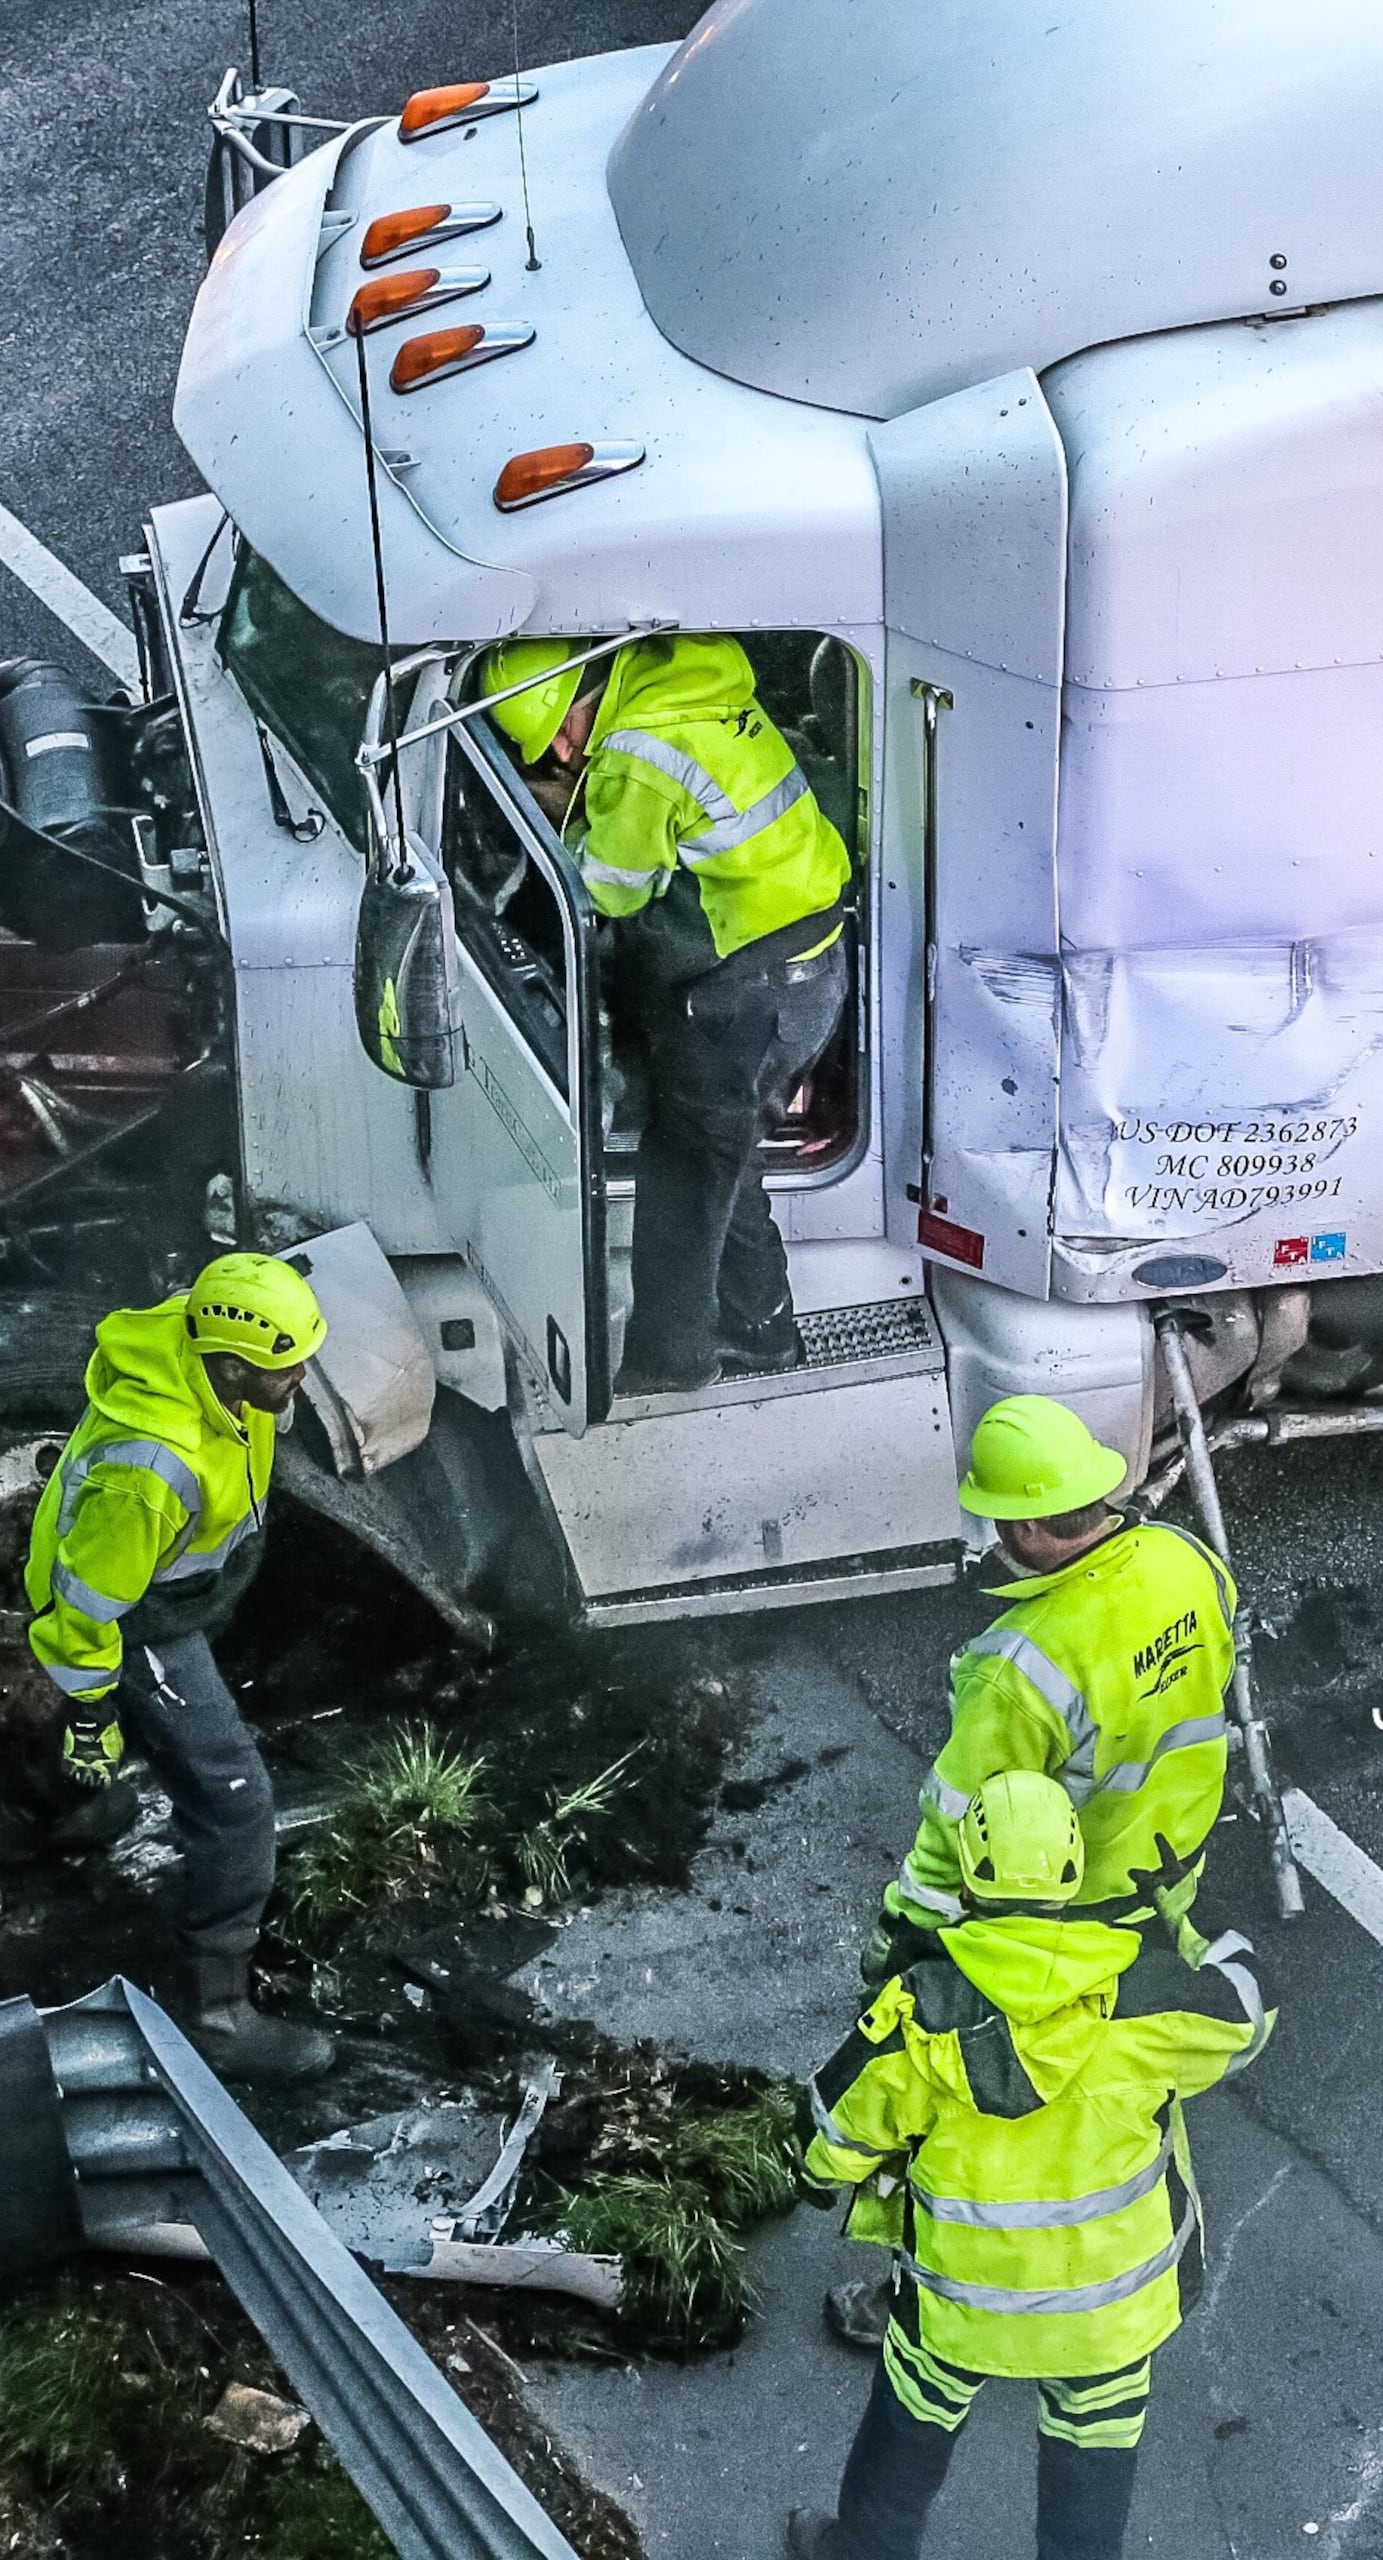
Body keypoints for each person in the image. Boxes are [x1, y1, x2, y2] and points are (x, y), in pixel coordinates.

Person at [826, 1392, 1241, 2347]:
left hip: (1050, 1920)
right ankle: (1152, 2251)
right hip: (1165, 1885)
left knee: (978, 2106)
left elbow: (954, 1831)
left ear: (1020, 1526)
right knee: (1131, 2087)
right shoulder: (1184, 1561)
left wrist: (903, 1945)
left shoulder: (1022, 1666)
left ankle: (922, 2295)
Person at [785, 1771, 1273, 2560]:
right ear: (1072, 1876)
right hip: (1110, 2309)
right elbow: (1249, 2009)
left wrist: (814, 2176)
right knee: (1093, 2459)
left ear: (969, 1881)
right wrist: (1185, 1912)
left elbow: (826, 2147)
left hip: (960, 2306)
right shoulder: (1145, 1998)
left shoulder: (917, 2016)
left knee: (911, 2423)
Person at [483, 632, 854, 1397]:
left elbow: (608, 892)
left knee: (683, 1175)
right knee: (721, 1155)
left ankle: (671, 1360)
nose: (561, 755)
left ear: (571, 704)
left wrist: (556, 822)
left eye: (556, 740)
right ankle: (761, 1328)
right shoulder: (683, 684)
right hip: (804, 970)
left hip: (755, 993)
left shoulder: (637, 754)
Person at [0, 1250, 334, 2081]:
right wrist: (90, 1703)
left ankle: (29, 1823)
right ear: (230, 1368)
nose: (302, 1377)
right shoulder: (149, 1469)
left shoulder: (208, 1356)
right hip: (138, 1617)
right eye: (286, 1366)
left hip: (170, 1589)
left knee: (114, 1743)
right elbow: (87, 1601)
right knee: (235, 1800)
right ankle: (221, 2016)